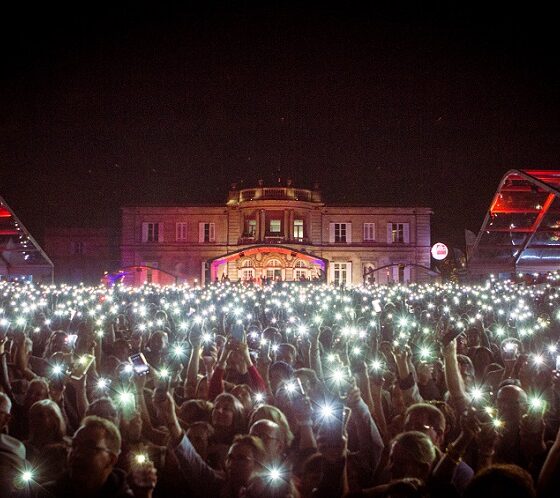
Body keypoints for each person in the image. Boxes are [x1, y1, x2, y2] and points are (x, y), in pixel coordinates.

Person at [39, 415, 156, 498]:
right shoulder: (48, 493)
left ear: (111, 460)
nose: (77, 454)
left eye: (89, 448)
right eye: (74, 446)